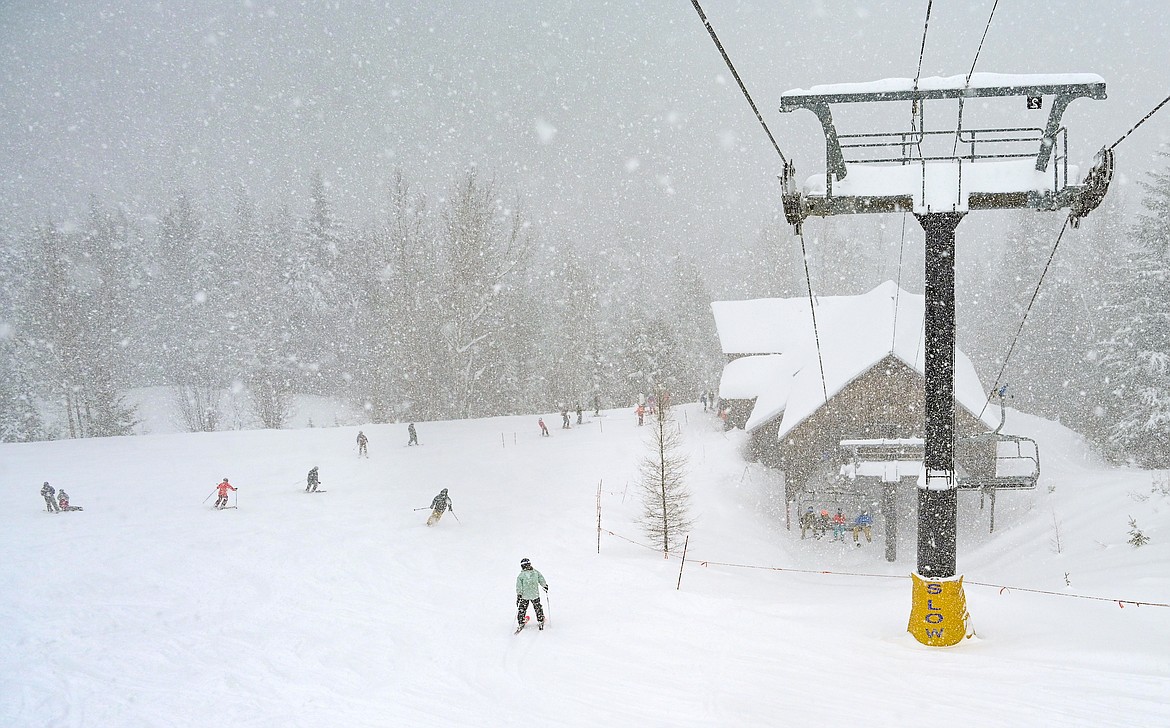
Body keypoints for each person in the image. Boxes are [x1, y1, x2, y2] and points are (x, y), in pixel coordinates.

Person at [515, 557, 548, 631]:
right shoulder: (535, 572)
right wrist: (545, 586)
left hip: (524, 596)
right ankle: (540, 619)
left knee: (522, 609)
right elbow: (541, 578)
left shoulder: (521, 575)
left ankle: (521, 621)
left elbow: (519, 586)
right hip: (534, 594)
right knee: (538, 607)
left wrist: (519, 594)